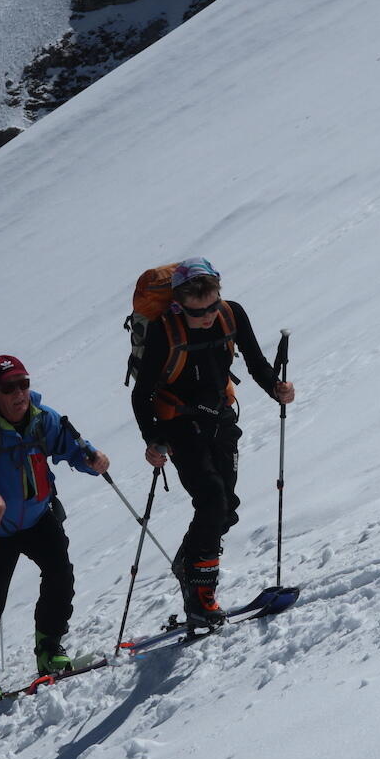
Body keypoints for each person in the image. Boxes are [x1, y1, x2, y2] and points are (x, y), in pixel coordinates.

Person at [130, 258, 295, 627]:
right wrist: (153, 438)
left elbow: (255, 361)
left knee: (226, 508)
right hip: (178, 423)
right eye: (197, 311)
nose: (207, 317)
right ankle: (200, 596)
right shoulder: (163, 331)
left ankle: (189, 561)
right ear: (179, 304)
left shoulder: (231, 314)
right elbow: (141, 395)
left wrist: (276, 387)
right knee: (211, 499)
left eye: (211, 306)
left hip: (219, 416)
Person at [0, 354, 110, 704]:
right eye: (10, 388)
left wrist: (92, 459)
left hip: (37, 516)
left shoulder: (42, 417)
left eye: (23, 384)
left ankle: (49, 647)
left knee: (60, 575)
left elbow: (71, 447)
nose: (19, 393)